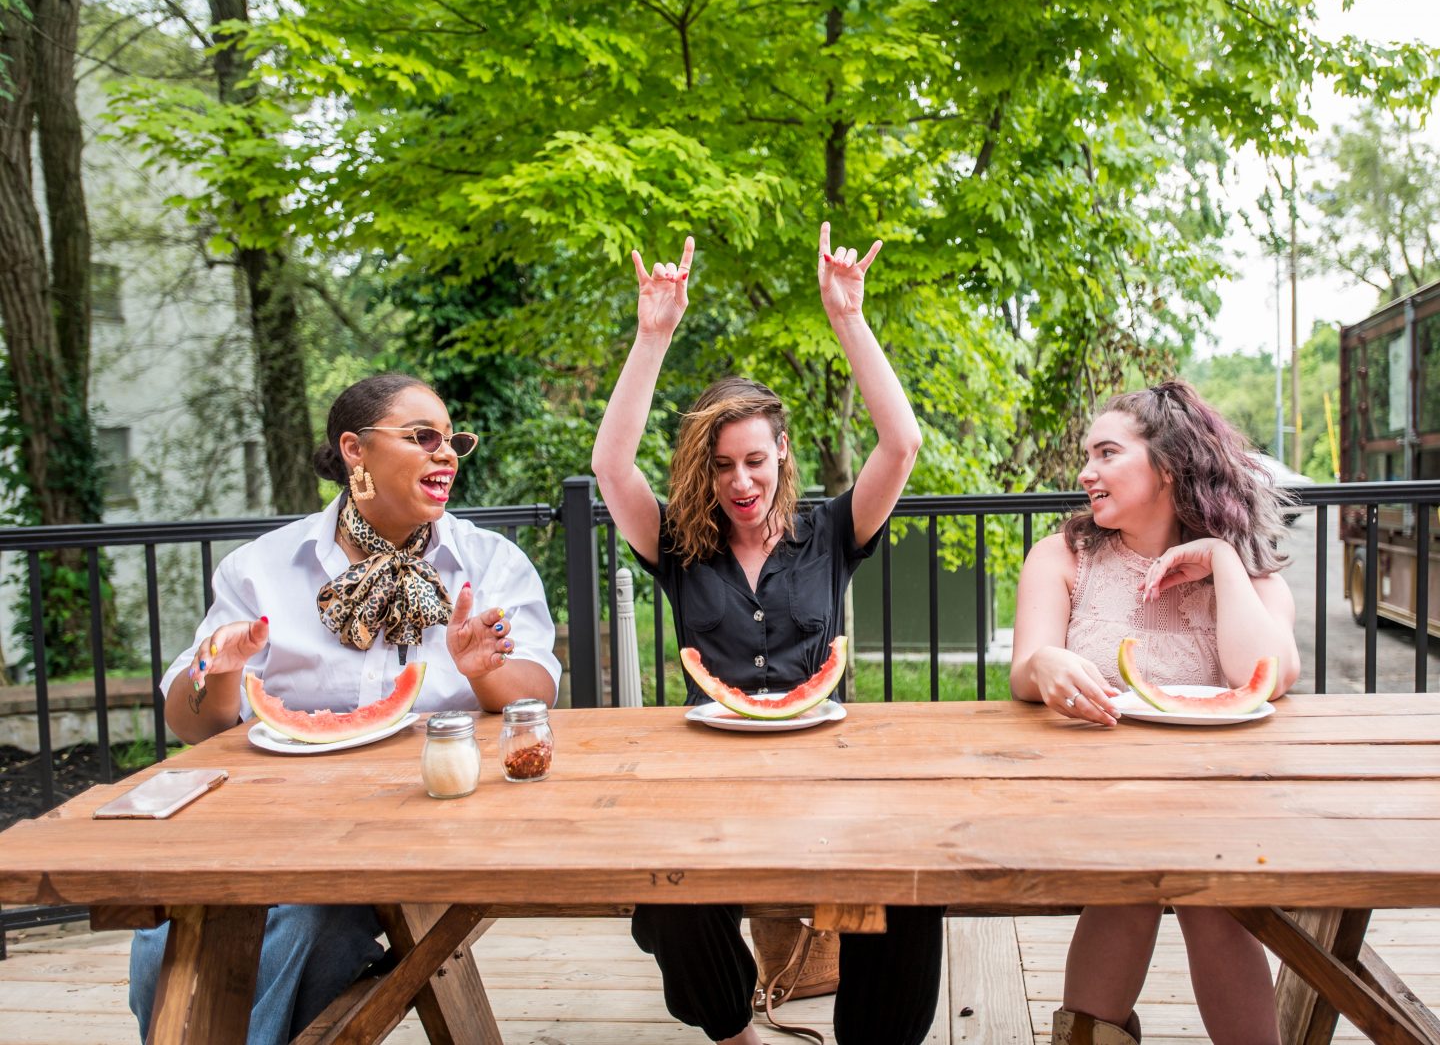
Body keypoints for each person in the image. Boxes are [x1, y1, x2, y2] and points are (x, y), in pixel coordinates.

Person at [128, 373, 562, 1045]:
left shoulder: (488, 562)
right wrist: (223, 667)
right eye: (424, 438)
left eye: (453, 442)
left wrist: (486, 670)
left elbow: (536, 696)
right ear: (355, 450)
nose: (447, 454)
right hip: (273, 822)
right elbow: (194, 724)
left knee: (309, 927)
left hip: (431, 819)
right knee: (161, 943)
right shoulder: (264, 569)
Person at [591, 224, 943, 1045]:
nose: (740, 482)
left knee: (908, 896)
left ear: (782, 454)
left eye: (755, 460)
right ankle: (735, 1034)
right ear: (702, 471)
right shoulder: (677, 544)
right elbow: (612, 466)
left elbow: (903, 442)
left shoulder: (831, 534)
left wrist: (848, 317)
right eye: (721, 465)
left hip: (828, 774)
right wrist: (653, 336)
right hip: (703, 784)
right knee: (670, 902)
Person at [1008, 380, 1301, 1045]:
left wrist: (1221, 560)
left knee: (1213, 899)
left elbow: (1271, 677)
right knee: (1131, 882)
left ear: (1167, 465)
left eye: (1106, 453)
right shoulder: (1062, 557)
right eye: (1087, 456)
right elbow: (1028, 666)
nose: (1086, 472)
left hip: (1224, 806)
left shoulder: (1248, 570)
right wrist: (1043, 667)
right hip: (1095, 798)